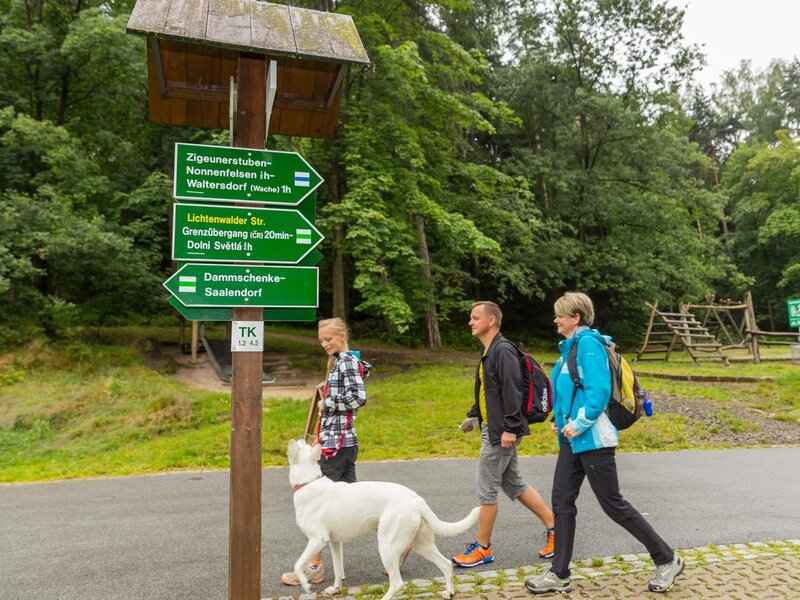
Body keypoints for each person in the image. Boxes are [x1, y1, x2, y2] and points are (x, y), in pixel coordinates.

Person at [525, 292, 684, 595]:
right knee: (561, 502)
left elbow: (597, 391)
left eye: (560, 314)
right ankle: (559, 573)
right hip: (573, 439)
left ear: (576, 317)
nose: (555, 319)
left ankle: (667, 559)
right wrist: (560, 422)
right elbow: (571, 391)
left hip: (594, 439)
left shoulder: (587, 345)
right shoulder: (570, 348)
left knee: (612, 504)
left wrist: (579, 422)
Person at [452, 301, 556, 568]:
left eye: (476, 318)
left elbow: (512, 392)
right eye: (470, 317)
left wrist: (510, 428)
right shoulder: (489, 350)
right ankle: (556, 529)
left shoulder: (503, 351)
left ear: (491, 321)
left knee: (486, 490)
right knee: (514, 484)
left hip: (501, 431)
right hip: (495, 427)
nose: (470, 322)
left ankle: (483, 548)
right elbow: (489, 392)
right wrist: (474, 416)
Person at [280, 317, 371, 587]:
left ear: (343, 335)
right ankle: (402, 543)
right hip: (343, 442)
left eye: (329, 339)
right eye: (321, 340)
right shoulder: (341, 362)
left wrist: (327, 402)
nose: (324, 344)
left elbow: (358, 397)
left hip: (336, 443)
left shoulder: (346, 362)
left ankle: (313, 568)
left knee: (318, 508)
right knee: (353, 503)